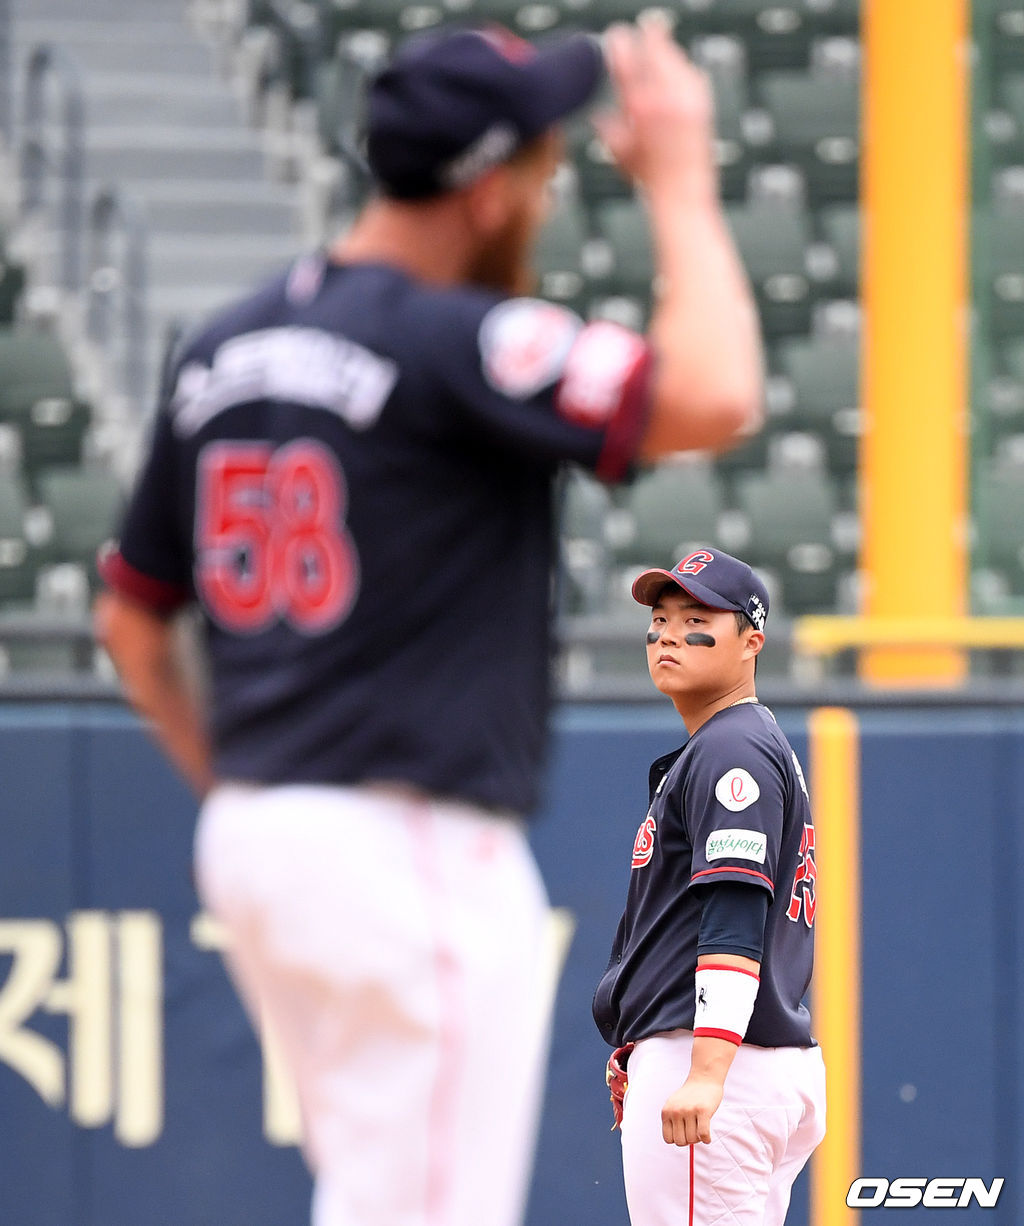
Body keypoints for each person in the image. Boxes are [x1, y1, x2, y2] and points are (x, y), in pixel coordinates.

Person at [94, 18, 763, 1226]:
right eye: (543, 168)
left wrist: (249, 793)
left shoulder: (223, 347)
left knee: (375, 1190)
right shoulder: (454, 339)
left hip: (260, 834)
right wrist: (681, 184)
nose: (548, 192)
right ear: (489, 186)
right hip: (404, 850)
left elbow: (134, 619)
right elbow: (716, 390)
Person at [593, 548, 826, 1226]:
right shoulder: (741, 742)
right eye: (660, 618)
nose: (669, 633)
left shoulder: (733, 748)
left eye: (696, 618)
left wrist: (702, 1071)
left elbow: (733, 915)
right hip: (747, 1059)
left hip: (720, 1058)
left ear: (752, 642)